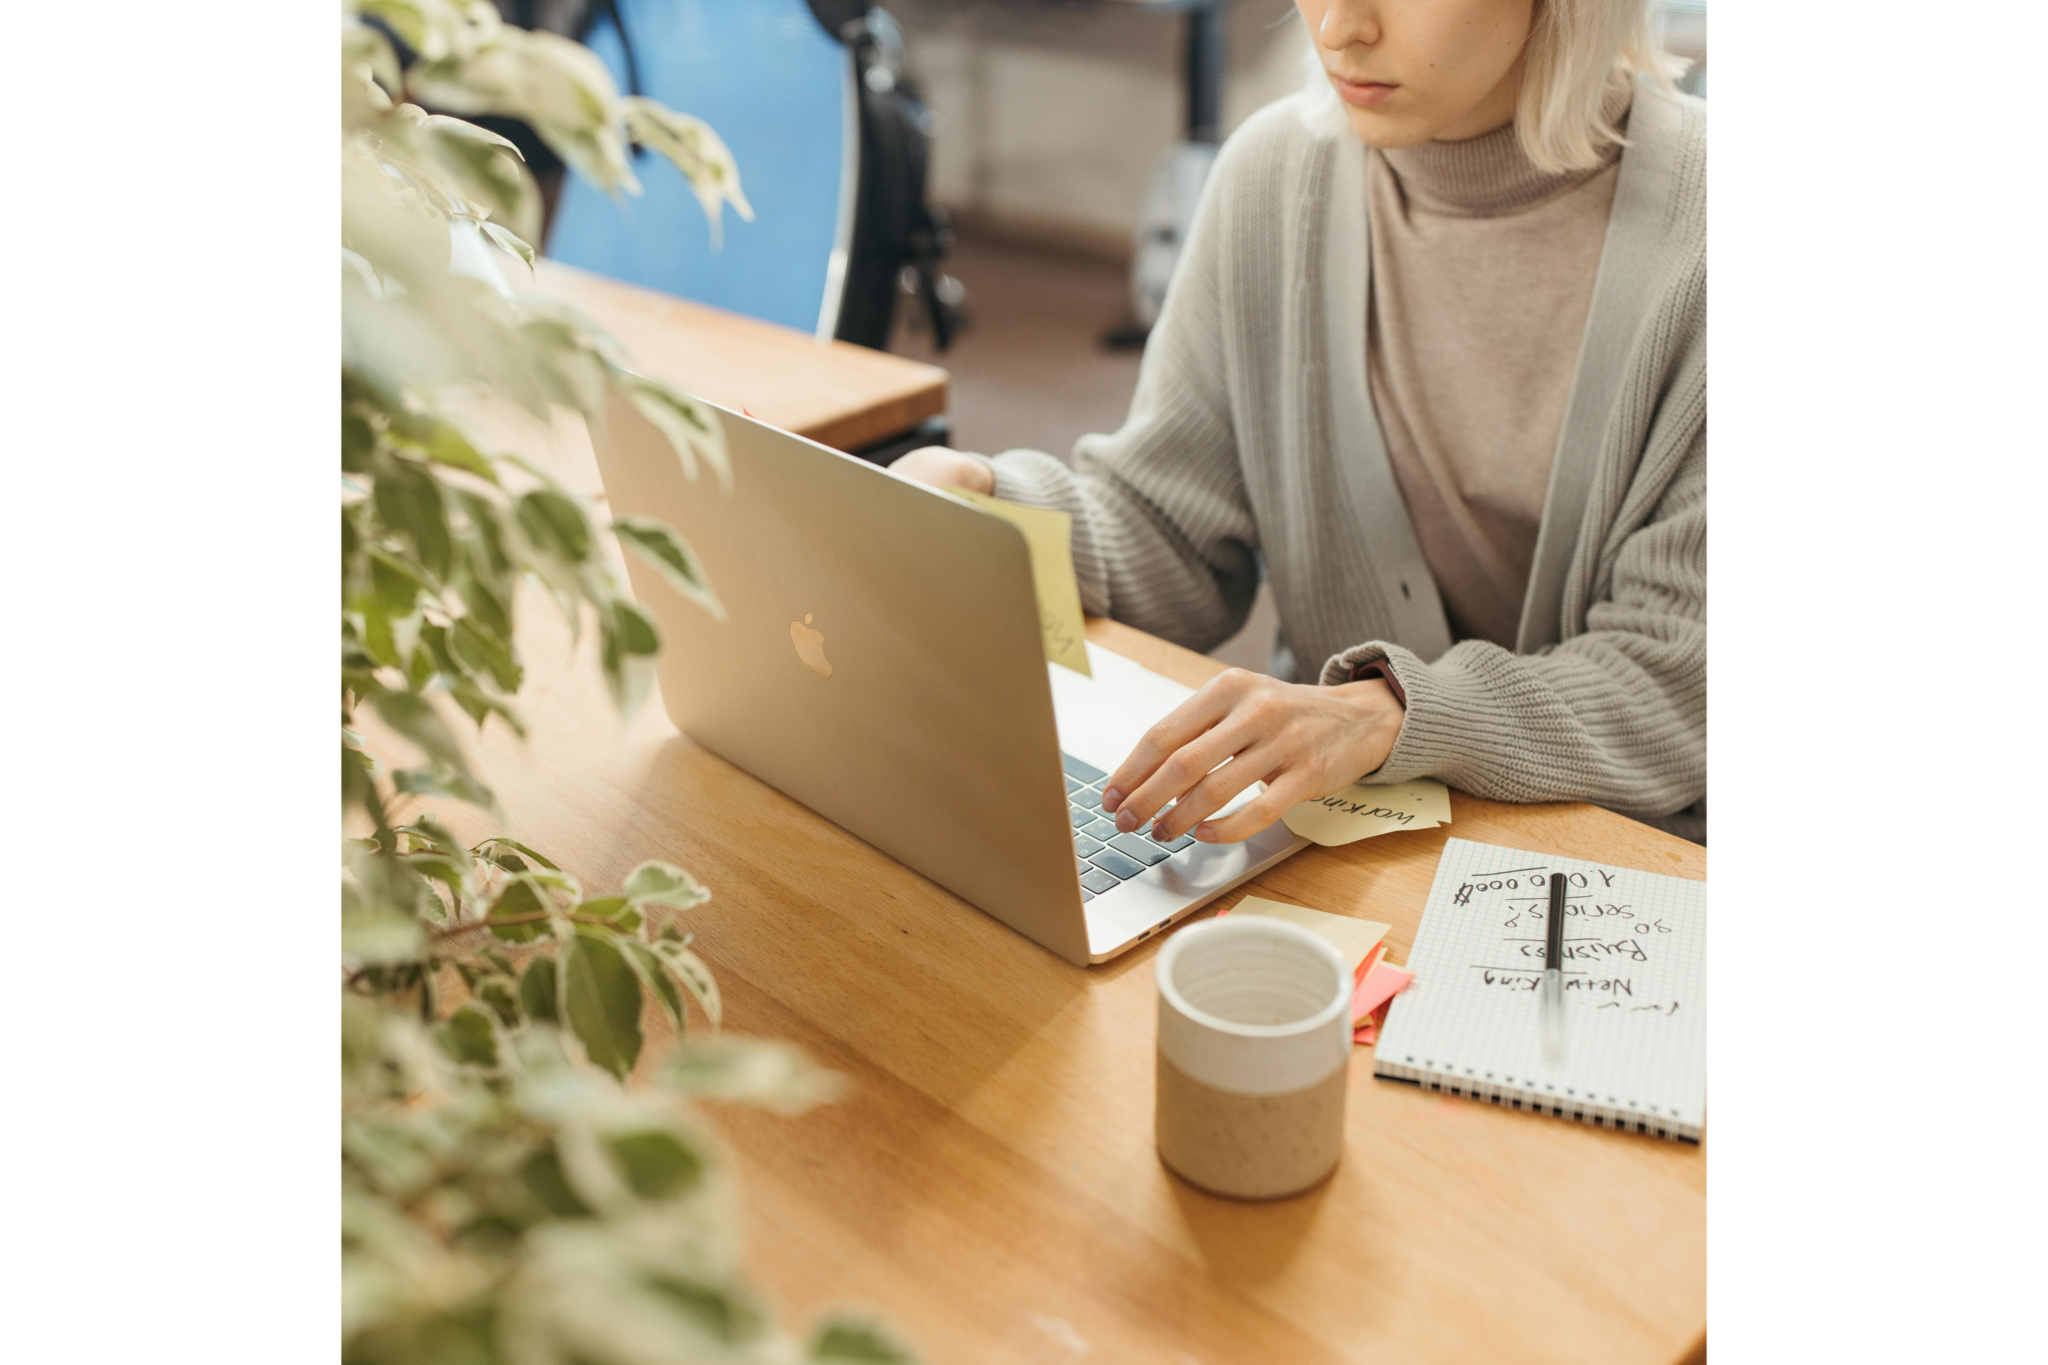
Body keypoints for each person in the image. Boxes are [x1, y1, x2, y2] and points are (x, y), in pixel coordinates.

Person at [894, 0, 1706, 845]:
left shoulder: (1713, 228)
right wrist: (999, 506)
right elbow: (1171, 524)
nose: (1335, 29)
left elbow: (1680, 679)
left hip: (1616, 857)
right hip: (1333, 830)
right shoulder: (1273, 174)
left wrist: (1387, 714)